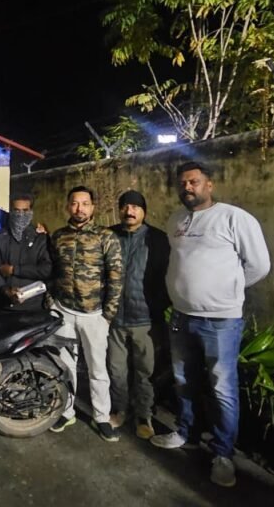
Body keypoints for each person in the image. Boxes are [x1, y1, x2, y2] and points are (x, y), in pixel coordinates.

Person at [150, 161, 271, 489]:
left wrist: (227, 290)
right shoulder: (176, 220)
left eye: (194, 182)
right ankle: (186, 432)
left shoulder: (234, 218)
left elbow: (259, 265)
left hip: (221, 321)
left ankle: (223, 454)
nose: (187, 187)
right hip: (181, 316)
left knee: (222, 388)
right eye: (182, 183)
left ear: (209, 184)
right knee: (183, 379)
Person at [48, 186, 123, 443]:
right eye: (74, 203)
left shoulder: (106, 237)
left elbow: (116, 276)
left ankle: (101, 417)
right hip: (63, 312)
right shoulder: (59, 236)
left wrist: (108, 314)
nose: (79, 208)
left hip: (94, 315)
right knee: (65, 366)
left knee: (97, 368)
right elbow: (51, 271)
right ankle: (66, 411)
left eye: (85, 203)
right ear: (68, 206)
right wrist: (51, 303)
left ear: (92, 207)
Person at [106, 189, 170, 441]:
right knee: (116, 370)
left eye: (135, 207)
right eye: (125, 206)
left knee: (146, 371)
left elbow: (169, 275)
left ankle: (144, 415)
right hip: (114, 318)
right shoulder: (109, 235)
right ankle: (120, 409)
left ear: (144, 211)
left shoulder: (158, 239)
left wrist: (157, 305)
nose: (129, 211)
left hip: (145, 318)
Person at [0, 194, 52, 314]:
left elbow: (46, 270)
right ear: (11, 211)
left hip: (34, 306)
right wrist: (5, 289)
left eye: (25, 211)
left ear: (31, 212)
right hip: (4, 306)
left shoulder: (40, 238)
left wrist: (14, 270)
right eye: (16, 210)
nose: (20, 215)